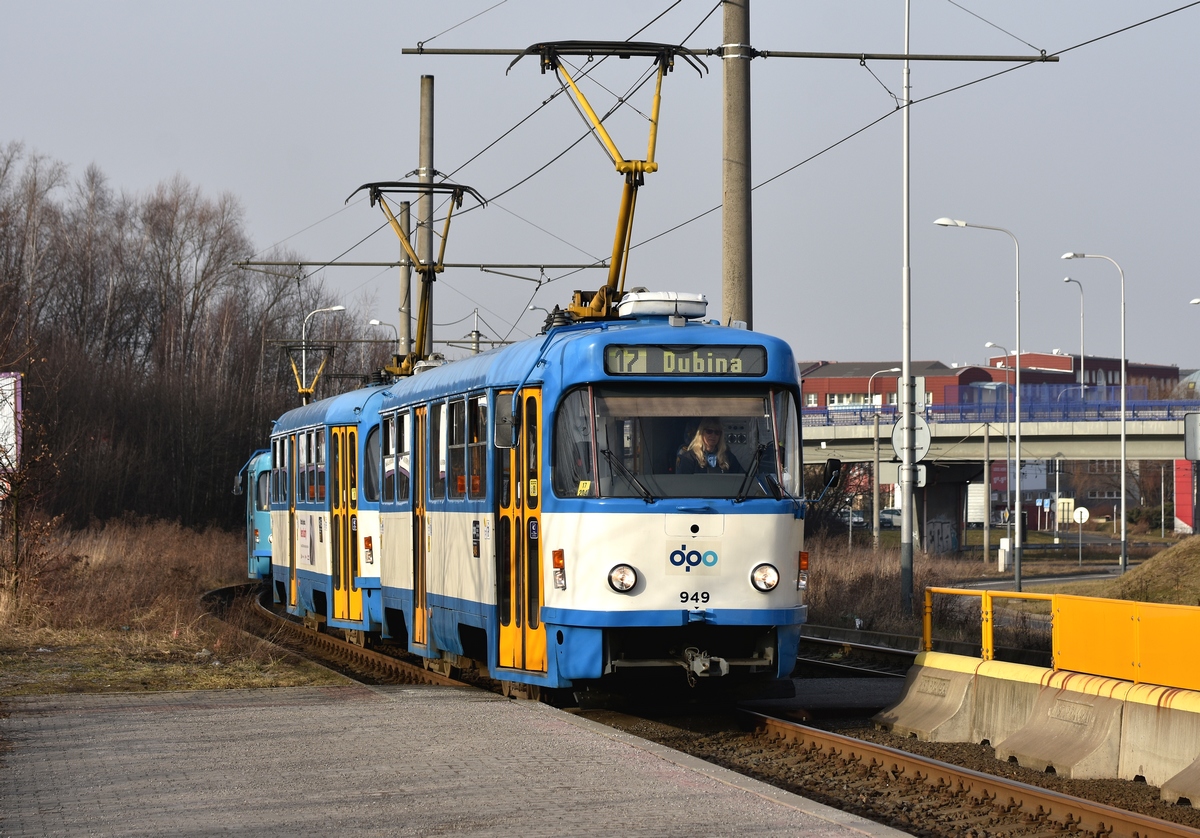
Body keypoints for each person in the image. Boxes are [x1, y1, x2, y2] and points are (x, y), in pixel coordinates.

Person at [676, 419, 743, 474]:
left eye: (717, 432)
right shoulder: (689, 457)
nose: (713, 435)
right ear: (701, 433)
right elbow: (683, 484)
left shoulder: (727, 456)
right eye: (709, 431)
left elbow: (742, 478)